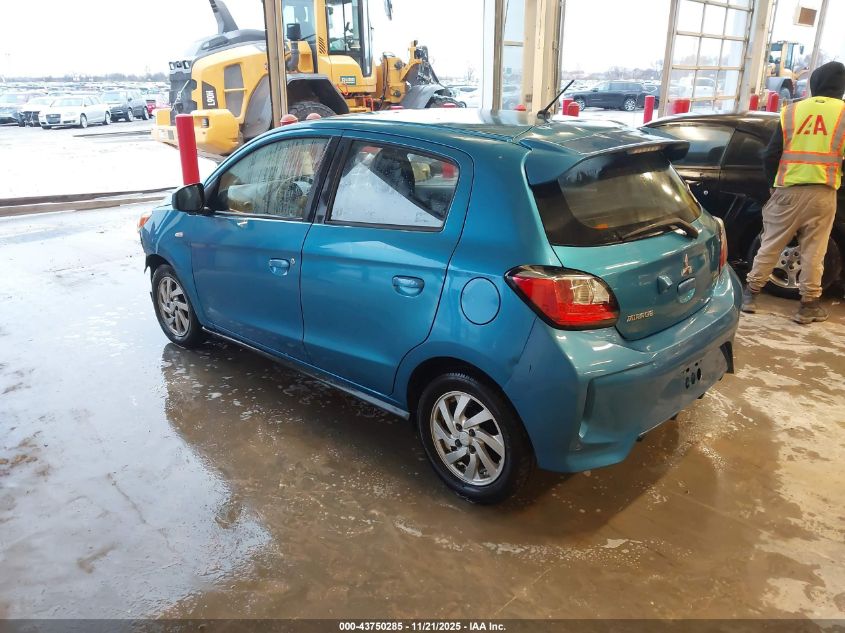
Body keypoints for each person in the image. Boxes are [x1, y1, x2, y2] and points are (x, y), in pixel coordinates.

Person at [742, 61, 845, 324]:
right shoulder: (843, 113)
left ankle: (750, 296)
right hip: (823, 193)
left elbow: (770, 154)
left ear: (814, 83)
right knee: (814, 251)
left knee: (770, 244)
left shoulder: (791, 111)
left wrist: (773, 185)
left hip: (787, 190)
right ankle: (808, 306)